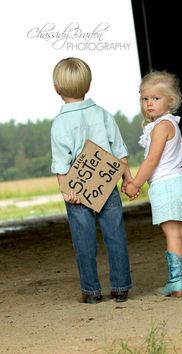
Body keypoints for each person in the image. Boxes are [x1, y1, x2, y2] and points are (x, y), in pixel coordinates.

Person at [51, 57, 132, 304]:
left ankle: (91, 292)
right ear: (88, 85)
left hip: (78, 190)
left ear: (56, 88)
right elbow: (120, 152)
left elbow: (61, 165)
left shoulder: (60, 123)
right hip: (107, 186)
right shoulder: (103, 115)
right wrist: (128, 180)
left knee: (83, 241)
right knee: (115, 235)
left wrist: (67, 191)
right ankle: (120, 288)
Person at [125, 70, 182, 297]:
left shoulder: (161, 127)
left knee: (172, 233)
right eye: (145, 98)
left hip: (165, 185)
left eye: (156, 98)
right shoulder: (172, 124)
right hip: (180, 183)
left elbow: (152, 160)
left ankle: (176, 282)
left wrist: (136, 184)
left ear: (170, 101)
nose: (149, 103)